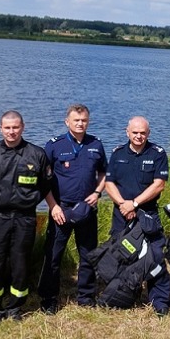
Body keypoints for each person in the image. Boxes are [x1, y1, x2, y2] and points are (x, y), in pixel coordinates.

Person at [0, 110, 50, 322]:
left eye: (15, 127)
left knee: (20, 261)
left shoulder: (37, 154)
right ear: (0, 128)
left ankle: (15, 307)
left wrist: (27, 202)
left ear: (22, 127)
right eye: (7, 127)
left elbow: (44, 186)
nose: (11, 131)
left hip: (25, 217)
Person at [38, 104, 107, 313]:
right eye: (76, 120)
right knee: (53, 256)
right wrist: (53, 206)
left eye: (84, 120)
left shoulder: (96, 144)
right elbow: (43, 180)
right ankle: (49, 299)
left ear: (88, 121)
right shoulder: (54, 146)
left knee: (88, 255)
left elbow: (104, 174)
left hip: (87, 209)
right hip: (61, 210)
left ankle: (86, 297)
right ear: (67, 122)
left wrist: (97, 193)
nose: (80, 123)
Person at [103, 116, 170, 315]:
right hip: (121, 215)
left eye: (142, 133)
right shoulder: (117, 154)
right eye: (135, 132)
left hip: (147, 214)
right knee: (122, 256)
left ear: (148, 133)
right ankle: (123, 297)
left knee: (155, 256)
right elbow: (109, 183)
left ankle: (159, 301)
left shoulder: (157, 153)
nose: (139, 136)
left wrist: (134, 203)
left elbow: (159, 184)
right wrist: (123, 204)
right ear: (127, 132)